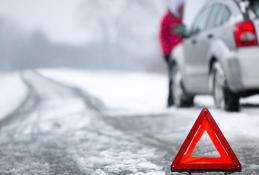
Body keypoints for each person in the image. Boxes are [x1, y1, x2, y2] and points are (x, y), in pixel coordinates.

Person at [159, 0, 185, 107]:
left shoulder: (182, 18)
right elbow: (162, 36)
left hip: (182, 53)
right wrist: (166, 52)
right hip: (171, 53)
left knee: (181, 75)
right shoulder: (167, 18)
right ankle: (171, 101)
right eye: (180, 6)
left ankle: (182, 99)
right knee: (172, 77)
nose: (182, 8)